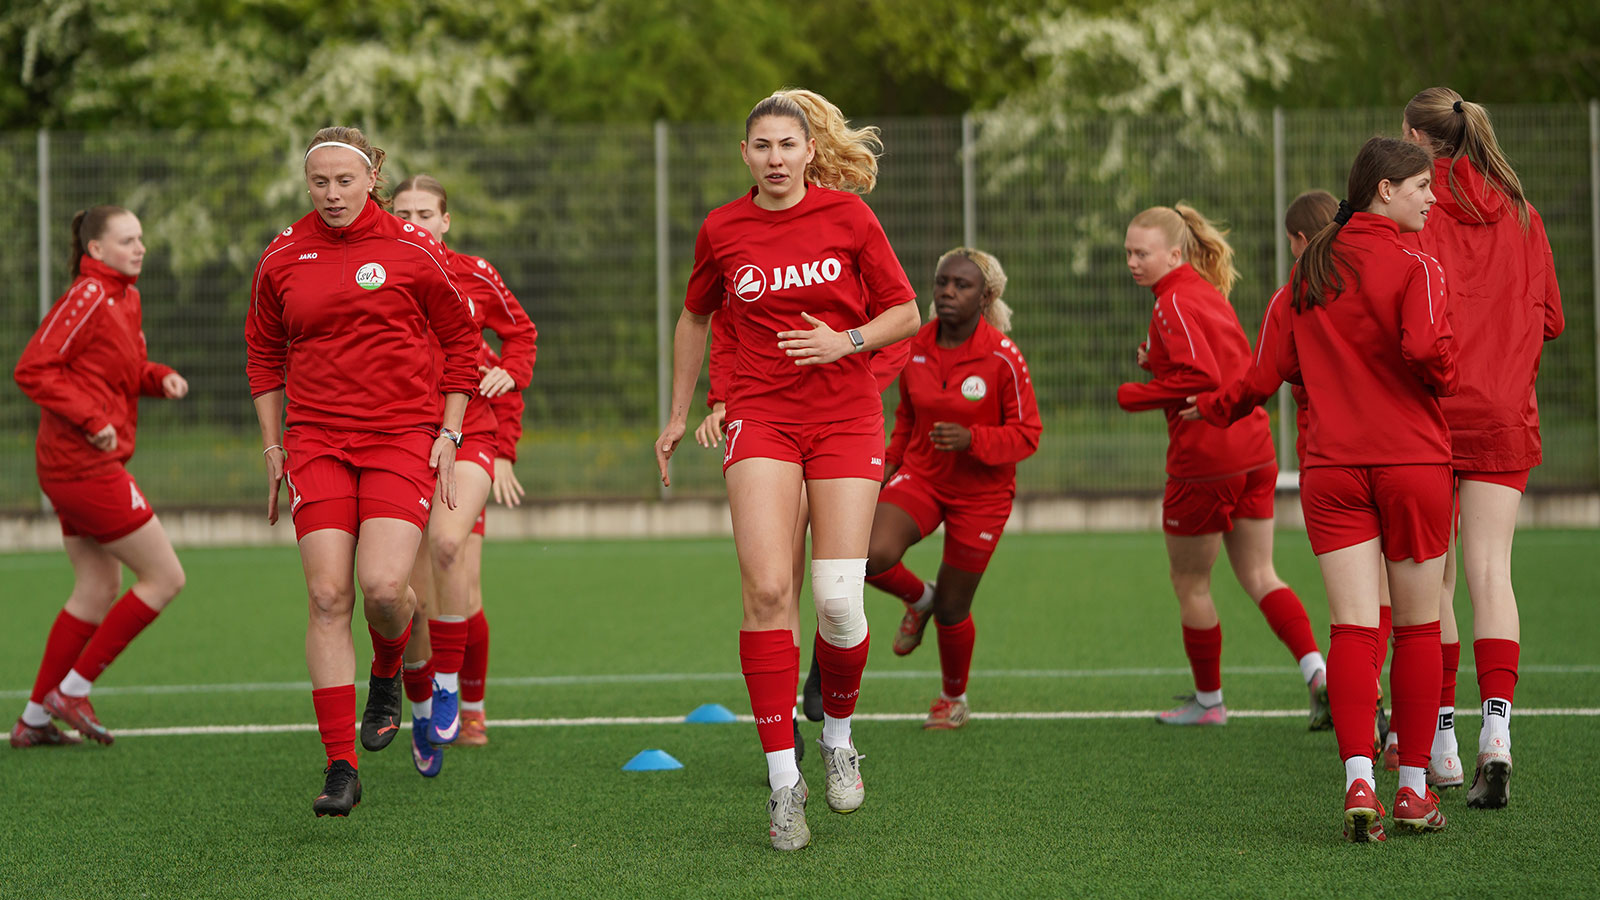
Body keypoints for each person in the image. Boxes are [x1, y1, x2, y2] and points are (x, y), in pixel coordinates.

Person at [655, 88, 920, 851]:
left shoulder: (848, 217)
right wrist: (679, 414)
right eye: (761, 146)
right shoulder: (722, 228)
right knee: (769, 589)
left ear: (809, 152)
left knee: (838, 601)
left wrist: (850, 341)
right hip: (760, 418)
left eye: (787, 146)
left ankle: (837, 738)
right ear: (746, 155)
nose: (775, 158)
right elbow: (695, 314)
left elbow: (904, 311)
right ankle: (783, 784)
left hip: (843, 416)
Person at [246, 127, 480, 816]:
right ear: (307, 183)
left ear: (372, 176)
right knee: (326, 597)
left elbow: (463, 341)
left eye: (345, 181)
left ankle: (388, 668)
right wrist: (272, 447)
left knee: (383, 588)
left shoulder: (414, 248)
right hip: (315, 441)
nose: (332, 194)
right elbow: (263, 355)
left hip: (401, 436)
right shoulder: (283, 255)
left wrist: (450, 429)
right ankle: (340, 765)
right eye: (319, 182)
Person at [1278, 135, 1457, 841]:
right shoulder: (1418, 261)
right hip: (1410, 463)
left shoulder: (1308, 269)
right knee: (1415, 630)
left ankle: (1359, 779)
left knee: (1353, 629)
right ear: (1384, 189)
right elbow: (1425, 349)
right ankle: (1414, 790)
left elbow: (1277, 364)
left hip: (1330, 468)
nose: (1431, 199)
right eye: (1421, 187)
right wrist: (1443, 373)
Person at [1401, 87, 1565, 808]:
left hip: (1431, 412)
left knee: (1432, 583)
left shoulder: (1413, 210)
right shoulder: (1525, 215)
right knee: (1492, 574)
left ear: (1412, 136)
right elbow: (1552, 319)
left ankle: (1439, 742)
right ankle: (1496, 737)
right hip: (1505, 413)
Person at [1117, 203, 1326, 728]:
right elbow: (1218, 365)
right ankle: (1319, 674)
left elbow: (1199, 377)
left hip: (1206, 457)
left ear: (1174, 252)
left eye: (1142, 253)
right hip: (1255, 451)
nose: (1133, 263)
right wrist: (1157, 363)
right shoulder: (1204, 290)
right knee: (1260, 573)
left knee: (1191, 584)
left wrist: (1134, 394)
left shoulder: (1170, 303)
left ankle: (1210, 704)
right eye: (1128, 253)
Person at [10, 206, 188, 748]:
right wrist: (92, 421)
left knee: (97, 586)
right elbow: (33, 368)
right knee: (165, 577)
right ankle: (73, 689)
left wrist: (158, 379)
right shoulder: (86, 295)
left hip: (81, 464)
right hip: (78, 464)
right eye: (127, 240)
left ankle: (34, 721)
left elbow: (124, 369)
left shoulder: (125, 297)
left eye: (141, 237)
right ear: (95, 251)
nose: (140, 248)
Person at [392, 175, 537, 774]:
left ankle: (462, 698)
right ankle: (424, 713)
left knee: (451, 552)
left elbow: (518, 339)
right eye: (403, 213)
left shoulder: (474, 271)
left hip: (469, 432)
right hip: (401, 441)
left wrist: (507, 424)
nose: (415, 222)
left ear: (445, 220)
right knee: (411, 600)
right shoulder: (375, 275)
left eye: (426, 213)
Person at [864, 247, 1041, 729]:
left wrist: (973, 439)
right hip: (921, 477)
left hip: (981, 496)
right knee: (865, 554)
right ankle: (920, 598)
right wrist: (888, 463)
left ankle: (952, 699)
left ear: (985, 297)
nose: (946, 292)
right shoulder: (915, 344)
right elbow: (906, 418)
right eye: (941, 282)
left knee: (955, 608)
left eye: (961, 285)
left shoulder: (1004, 358)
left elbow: (1028, 435)